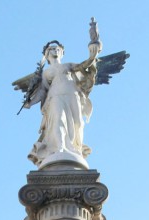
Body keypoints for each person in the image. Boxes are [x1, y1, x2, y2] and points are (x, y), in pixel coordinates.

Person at [23, 39, 101, 167]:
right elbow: (42, 91)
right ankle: (60, 147)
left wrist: (93, 55)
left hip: (72, 94)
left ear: (61, 53)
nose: (55, 51)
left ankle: (76, 148)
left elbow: (84, 66)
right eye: (52, 49)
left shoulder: (67, 66)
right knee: (58, 120)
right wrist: (30, 103)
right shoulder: (46, 73)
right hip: (55, 96)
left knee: (78, 123)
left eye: (57, 49)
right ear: (47, 55)